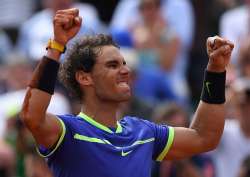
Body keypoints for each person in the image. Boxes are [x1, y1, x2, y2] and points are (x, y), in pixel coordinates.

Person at [20, 8, 234, 177]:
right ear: (85, 77)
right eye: (113, 65)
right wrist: (57, 45)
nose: (126, 70)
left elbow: (205, 137)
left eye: (124, 64)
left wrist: (216, 70)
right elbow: (32, 116)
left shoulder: (144, 132)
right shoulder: (68, 131)